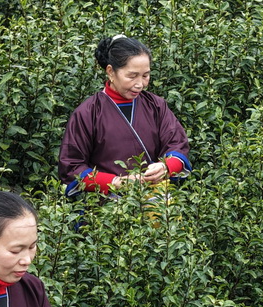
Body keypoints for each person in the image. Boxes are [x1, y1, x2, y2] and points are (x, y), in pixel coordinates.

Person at [58, 34, 191, 197]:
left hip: (157, 204)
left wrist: (165, 167)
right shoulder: (88, 113)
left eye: (145, 75)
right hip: (105, 209)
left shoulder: (156, 105)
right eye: (132, 76)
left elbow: (177, 144)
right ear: (111, 72)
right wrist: (116, 182)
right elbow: (72, 167)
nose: (140, 84)